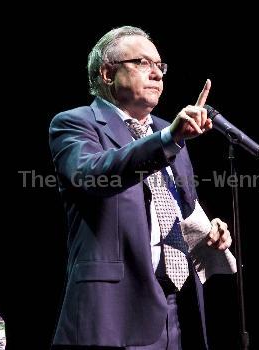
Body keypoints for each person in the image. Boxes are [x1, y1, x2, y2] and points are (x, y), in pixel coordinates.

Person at [49, 26, 232, 350]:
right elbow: (93, 174)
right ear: (107, 73)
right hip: (115, 313)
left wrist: (207, 231)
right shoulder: (75, 123)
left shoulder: (168, 130)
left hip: (179, 309)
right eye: (143, 63)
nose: (157, 74)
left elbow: (179, 206)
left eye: (160, 66)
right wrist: (166, 140)